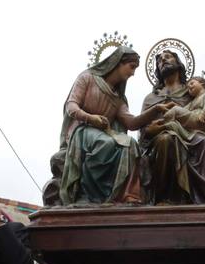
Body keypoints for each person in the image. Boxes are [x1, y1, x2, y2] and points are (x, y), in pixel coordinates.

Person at [56, 46, 173, 205]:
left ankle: (126, 195)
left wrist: (156, 109)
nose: (133, 73)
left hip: (105, 133)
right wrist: (90, 118)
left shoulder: (117, 97)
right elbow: (71, 106)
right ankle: (90, 195)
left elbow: (131, 123)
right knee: (105, 143)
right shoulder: (87, 78)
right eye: (131, 67)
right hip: (83, 131)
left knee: (130, 143)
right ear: (118, 63)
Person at [140, 51, 205, 204]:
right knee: (165, 140)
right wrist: (151, 130)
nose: (163, 61)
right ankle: (164, 197)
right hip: (160, 139)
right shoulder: (151, 98)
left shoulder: (190, 92)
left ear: (178, 63)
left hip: (189, 138)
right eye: (159, 61)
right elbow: (144, 132)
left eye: (168, 57)